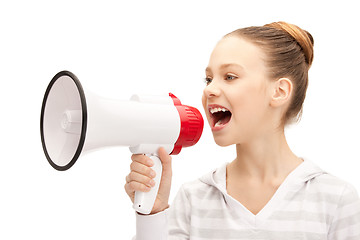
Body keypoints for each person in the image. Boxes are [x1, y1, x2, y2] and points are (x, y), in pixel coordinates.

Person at [124, 21, 360, 239]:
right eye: (208, 79)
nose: (210, 90)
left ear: (279, 91)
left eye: (230, 76)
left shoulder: (335, 200)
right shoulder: (194, 199)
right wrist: (152, 215)